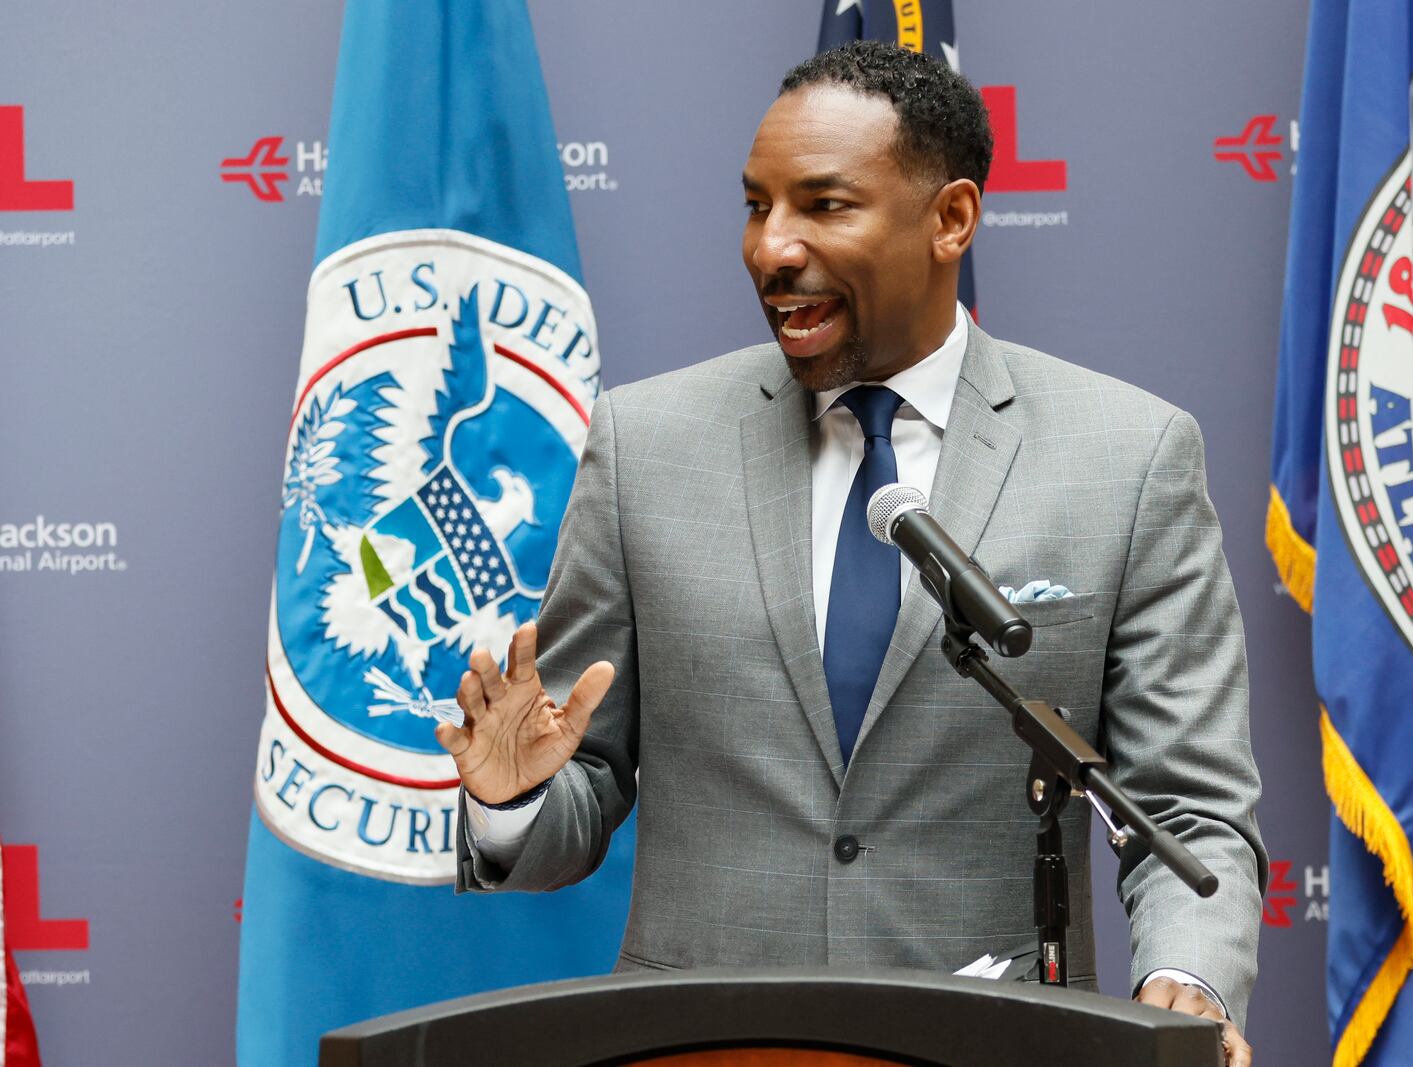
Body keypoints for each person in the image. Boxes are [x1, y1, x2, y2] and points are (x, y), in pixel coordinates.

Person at [439, 41, 1265, 1065]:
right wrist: (510, 795)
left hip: (999, 1042)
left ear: (951, 218)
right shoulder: (643, 444)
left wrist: (1183, 982)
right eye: (755, 206)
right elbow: (581, 793)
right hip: (704, 1048)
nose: (770, 248)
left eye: (823, 206)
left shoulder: (1129, 457)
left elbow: (1187, 806)